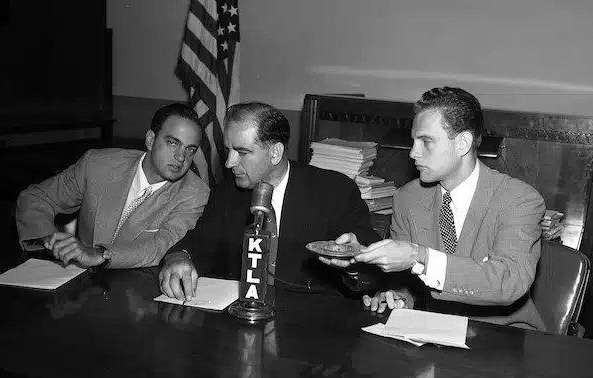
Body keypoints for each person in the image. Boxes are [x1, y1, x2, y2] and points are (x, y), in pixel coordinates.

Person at [322, 87, 546, 331]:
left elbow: (509, 281)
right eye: (414, 141)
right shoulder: (408, 198)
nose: (413, 152)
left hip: (503, 339)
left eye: (426, 142)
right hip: (433, 335)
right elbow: (404, 282)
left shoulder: (519, 200)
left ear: (463, 143)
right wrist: (369, 267)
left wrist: (420, 257)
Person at [158, 101, 379, 301]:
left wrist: (353, 265)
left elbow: (368, 265)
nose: (228, 163)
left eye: (241, 152)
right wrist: (179, 256)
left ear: (275, 153)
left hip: (309, 323)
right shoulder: (228, 191)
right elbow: (202, 240)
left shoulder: (334, 191)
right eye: (229, 150)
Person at [16, 103, 210, 269]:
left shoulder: (194, 193)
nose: (181, 157)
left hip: (137, 293)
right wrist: (51, 241)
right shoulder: (97, 165)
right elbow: (35, 198)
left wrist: (99, 254)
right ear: (150, 139)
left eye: (190, 149)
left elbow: (161, 247)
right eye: (172, 143)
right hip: (76, 282)